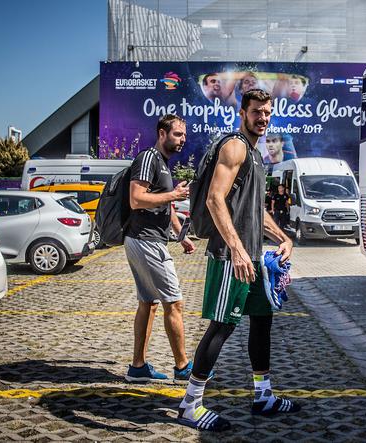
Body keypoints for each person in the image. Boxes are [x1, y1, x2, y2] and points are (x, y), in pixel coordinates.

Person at [178, 89, 300, 432]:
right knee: (223, 325)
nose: (263, 117)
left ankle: (263, 395)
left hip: (253, 255)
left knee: (262, 321)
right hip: (230, 255)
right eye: (257, 112)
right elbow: (216, 200)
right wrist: (236, 248)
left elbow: (255, 211)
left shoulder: (257, 155)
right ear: (243, 113)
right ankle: (190, 405)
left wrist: (284, 237)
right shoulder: (235, 147)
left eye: (267, 112)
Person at [124, 114, 197, 383]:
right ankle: (183, 368)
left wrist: (181, 236)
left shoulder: (164, 164)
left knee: (148, 303)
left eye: (184, 135)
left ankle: (137, 367)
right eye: (178, 134)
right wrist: (173, 195)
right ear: (162, 133)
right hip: (146, 240)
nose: (182, 140)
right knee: (174, 303)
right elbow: (136, 199)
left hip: (146, 239)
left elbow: (164, 206)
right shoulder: (148, 158)